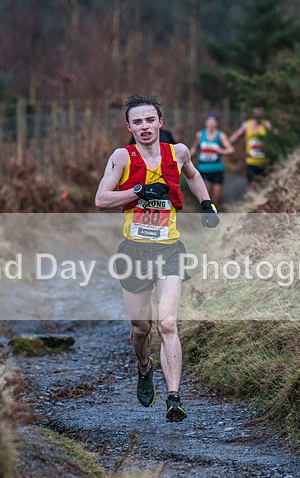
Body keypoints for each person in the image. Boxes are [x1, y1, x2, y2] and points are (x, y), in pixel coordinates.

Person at [95, 92, 219, 422]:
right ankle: (144, 367)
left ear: (160, 123)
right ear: (129, 127)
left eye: (150, 120)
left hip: (169, 250)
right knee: (141, 328)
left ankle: (174, 396)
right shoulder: (121, 158)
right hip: (134, 252)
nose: (145, 126)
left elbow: (192, 175)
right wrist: (138, 191)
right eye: (138, 122)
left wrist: (206, 203)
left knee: (166, 322)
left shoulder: (177, 152)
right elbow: (101, 199)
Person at [190, 112, 234, 207]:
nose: (211, 123)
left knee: (216, 198)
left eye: (213, 121)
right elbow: (194, 148)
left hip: (217, 169)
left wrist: (221, 151)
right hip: (203, 169)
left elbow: (230, 149)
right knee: (206, 197)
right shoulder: (200, 135)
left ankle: (215, 216)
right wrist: (187, 156)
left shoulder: (220, 135)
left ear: (217, 123)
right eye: (209, 121)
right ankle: (206, 217)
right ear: (206, 122)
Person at [228, 106, 272, 191]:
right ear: (253, 111)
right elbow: (236, 136)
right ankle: (250, 201)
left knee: (264, 186)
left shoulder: (266, 124)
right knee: (251, 185)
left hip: (264, 162)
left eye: (260, 110)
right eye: (257, 110)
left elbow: (275, 138)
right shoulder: (247, 125)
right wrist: (227, 144)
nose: (258, 112)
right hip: (251, 161)